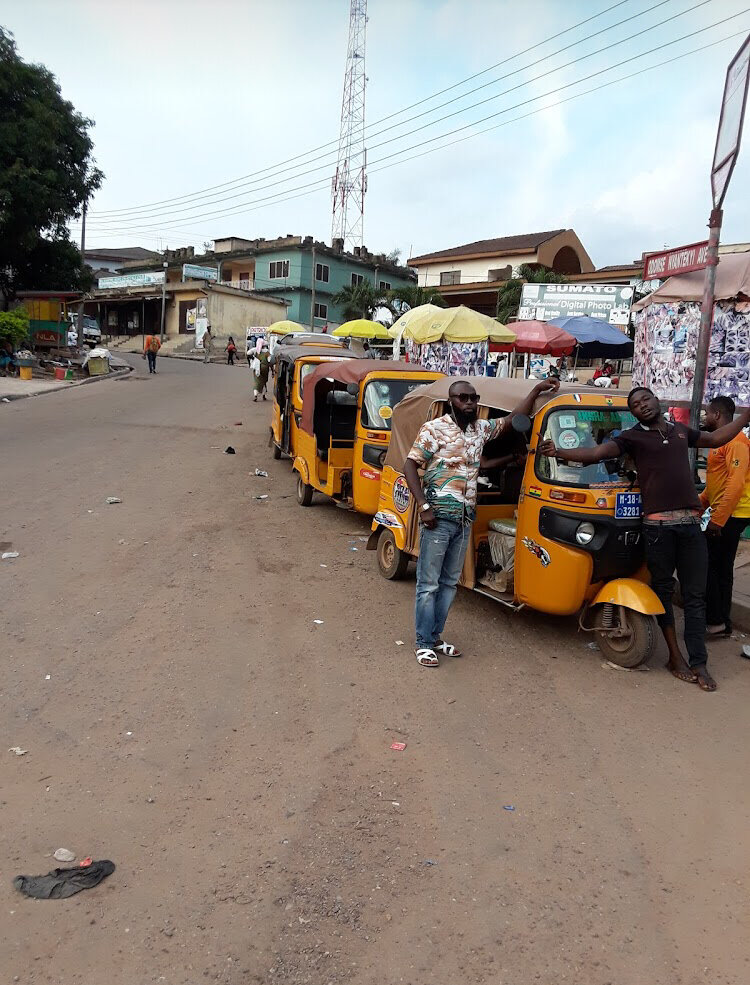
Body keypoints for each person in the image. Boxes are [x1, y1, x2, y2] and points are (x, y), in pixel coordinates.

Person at [540, 385, 750, 692]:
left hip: (691, 525)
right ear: (634, 412)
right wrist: (558, 451)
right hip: (658, 529)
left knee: (695, 597)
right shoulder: (631, 438)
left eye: (646, 399)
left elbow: (716, 438)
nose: (643, 405)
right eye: (636, 404)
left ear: (657, 401)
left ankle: (699, 662)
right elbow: (597, 453)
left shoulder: (680, 431)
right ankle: (675, 658)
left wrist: (745, 416)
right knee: (663, 593)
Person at [403, 377, 559, 667]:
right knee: (428, 584)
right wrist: (423, 505)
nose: (470, 403)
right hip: (438, 516)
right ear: (452, 402)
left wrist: (536, 390)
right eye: (463, 398)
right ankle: (423, 643)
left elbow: (514, 420)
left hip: (464, 518)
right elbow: (410, 465)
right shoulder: (434, 429)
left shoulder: (480, 430)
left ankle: (436, 637)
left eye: (473, 398)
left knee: (449, 583)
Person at [700, 395, 750, 639]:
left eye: (707, 413)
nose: (705, 417)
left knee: (712, 566)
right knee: (719, 567)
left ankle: (717, 621)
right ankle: (720, 621)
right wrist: (698, 506)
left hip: (733, 513)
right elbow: (714, 484)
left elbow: (736, 484)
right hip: (722, 511)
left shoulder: (737, 442)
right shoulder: (718, 443)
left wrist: (718, 519)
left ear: (717, 415)